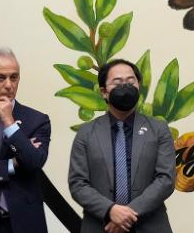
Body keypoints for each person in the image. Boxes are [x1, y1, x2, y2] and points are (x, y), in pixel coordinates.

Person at [68, 59, 175, 233]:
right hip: (101, 226)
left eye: (131, 81)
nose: (125, 86)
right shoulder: (86, 133)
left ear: (138, 85)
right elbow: (78, 184)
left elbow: (166, 180)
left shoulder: (159, 129)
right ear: (104, 91)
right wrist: (110, 210)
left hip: (151, 226)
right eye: (117, 82)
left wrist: (127, 214)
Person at [0, 48, 50, 233]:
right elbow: (25, 158)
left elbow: (34, 161)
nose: (9, 85)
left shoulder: (37, 120)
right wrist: (12, 164)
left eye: (14, 77)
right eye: (1, 78)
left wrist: (10, 123)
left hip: (26, 220)